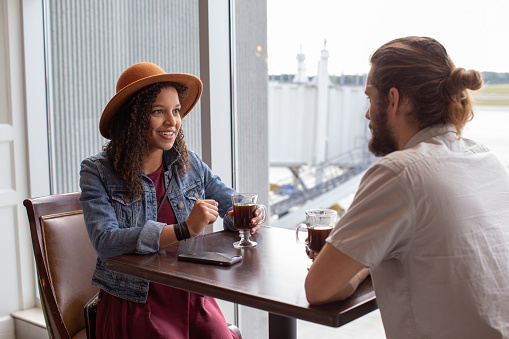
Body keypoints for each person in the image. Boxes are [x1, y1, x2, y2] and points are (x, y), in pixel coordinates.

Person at [305, 36, 509, 338]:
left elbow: (319, 289)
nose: (367, 114)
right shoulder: (484, 158)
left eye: (370, 98)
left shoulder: (400, 173)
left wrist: (363, 263)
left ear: (393, 100)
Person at [79, 62, 264, 338]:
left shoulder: (188, 164)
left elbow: (230, 204)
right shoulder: (97, 171)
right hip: (134, 300)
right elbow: (105, 242)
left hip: (190, 293)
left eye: (176, 111)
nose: (173, 122)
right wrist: (183, 230)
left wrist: (248, 217)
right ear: (133, 117)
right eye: (158, 112)